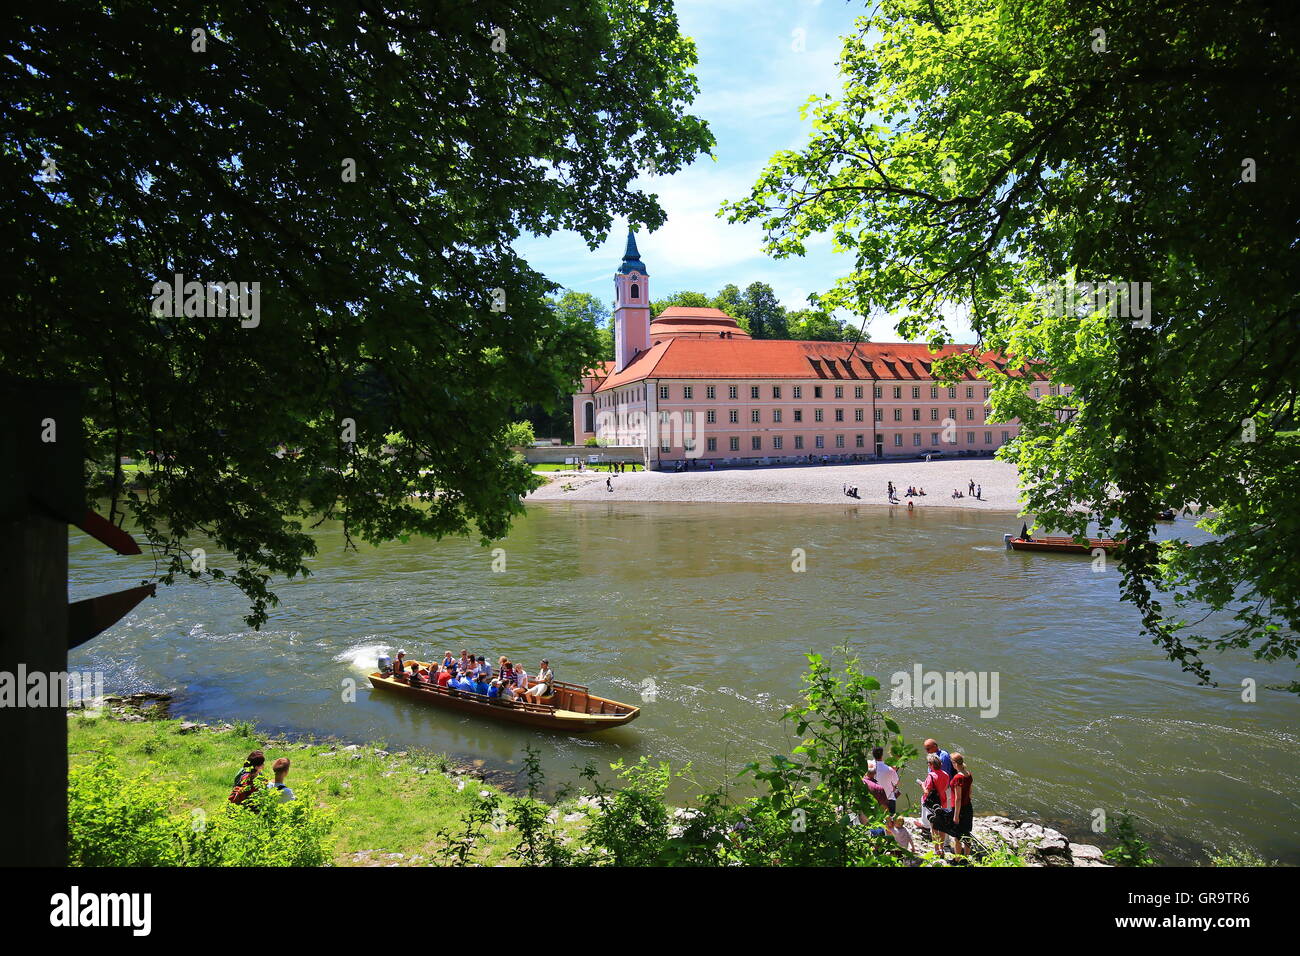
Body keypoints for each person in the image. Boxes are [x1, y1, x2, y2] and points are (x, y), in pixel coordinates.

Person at [919, 753, 950, 848]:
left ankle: (936, 849)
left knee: (934, 826)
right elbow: (945, 787)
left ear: (932, 764)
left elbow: (926, 792)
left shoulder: (931, 776)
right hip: (942, 800)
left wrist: (921, 784)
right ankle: (942, 846)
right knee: (941, 824)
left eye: (928, 763)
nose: (928, 765)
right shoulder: (946, 774)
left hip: (931, 803)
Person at [947, 753, 974, 856]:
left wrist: (956, 816)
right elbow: (970, 791)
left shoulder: (958, 778)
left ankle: (957, 859)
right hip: (968, 807)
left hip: (959, 809)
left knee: (957, 836)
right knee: (967, 834)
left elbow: (958, 799)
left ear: (954, 763)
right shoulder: (968, 774)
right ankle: (967, 856)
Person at [871, 746, 899, 814]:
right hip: (888, 799)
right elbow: (896, 782)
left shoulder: (868, 766)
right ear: (882, 755)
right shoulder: (890, 769)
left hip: (874, 799)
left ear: (873, 754)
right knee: (891, 819)